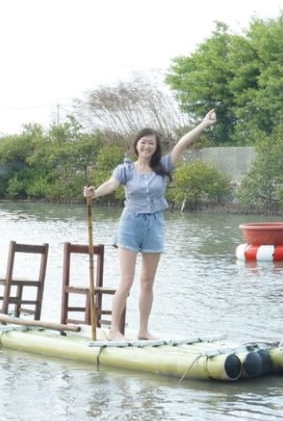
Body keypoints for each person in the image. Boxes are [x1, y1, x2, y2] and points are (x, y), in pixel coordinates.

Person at [83, 110, 217, 340]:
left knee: (147, 281)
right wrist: (94, 193)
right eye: (143, 143)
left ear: (156, 147)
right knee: (126, 279)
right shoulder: (125, 169)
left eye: (151, 143)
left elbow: (182, 144)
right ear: (136, 145)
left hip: (155, 224)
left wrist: (204, 124)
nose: (146, 147)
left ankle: (143, 330)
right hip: (130, 224)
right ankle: (114, 330)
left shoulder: (163, 166)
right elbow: (111, 184)